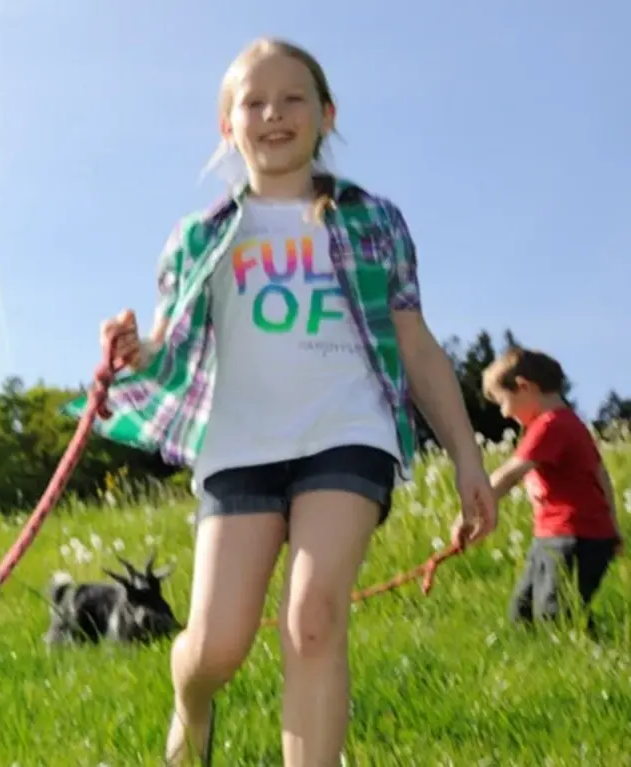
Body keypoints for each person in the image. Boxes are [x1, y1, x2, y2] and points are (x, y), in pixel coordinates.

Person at [63, 37, 497, 766]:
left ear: (326, 114)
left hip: (348, 431)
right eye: (252, 101)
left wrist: (466, 456)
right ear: (227, 127)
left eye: (293, 97)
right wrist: (135, 348)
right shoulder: (199, 236)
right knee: (217, 646)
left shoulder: (374, 220)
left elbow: (416, 346)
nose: (273, 113)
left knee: (314, 616)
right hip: (239, 445)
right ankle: (191, 703)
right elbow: (171, 347)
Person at [482, 346, 622, 630]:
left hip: (575, 536)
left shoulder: (552, 425)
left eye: (502, 402)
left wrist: (474, 508)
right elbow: (600, 475)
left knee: (555, 614)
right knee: (522, 614)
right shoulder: (566, 424)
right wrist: (614, 525)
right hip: (554, 536)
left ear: (524, 387)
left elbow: (511, 473)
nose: (504, 413)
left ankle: (594, 654)